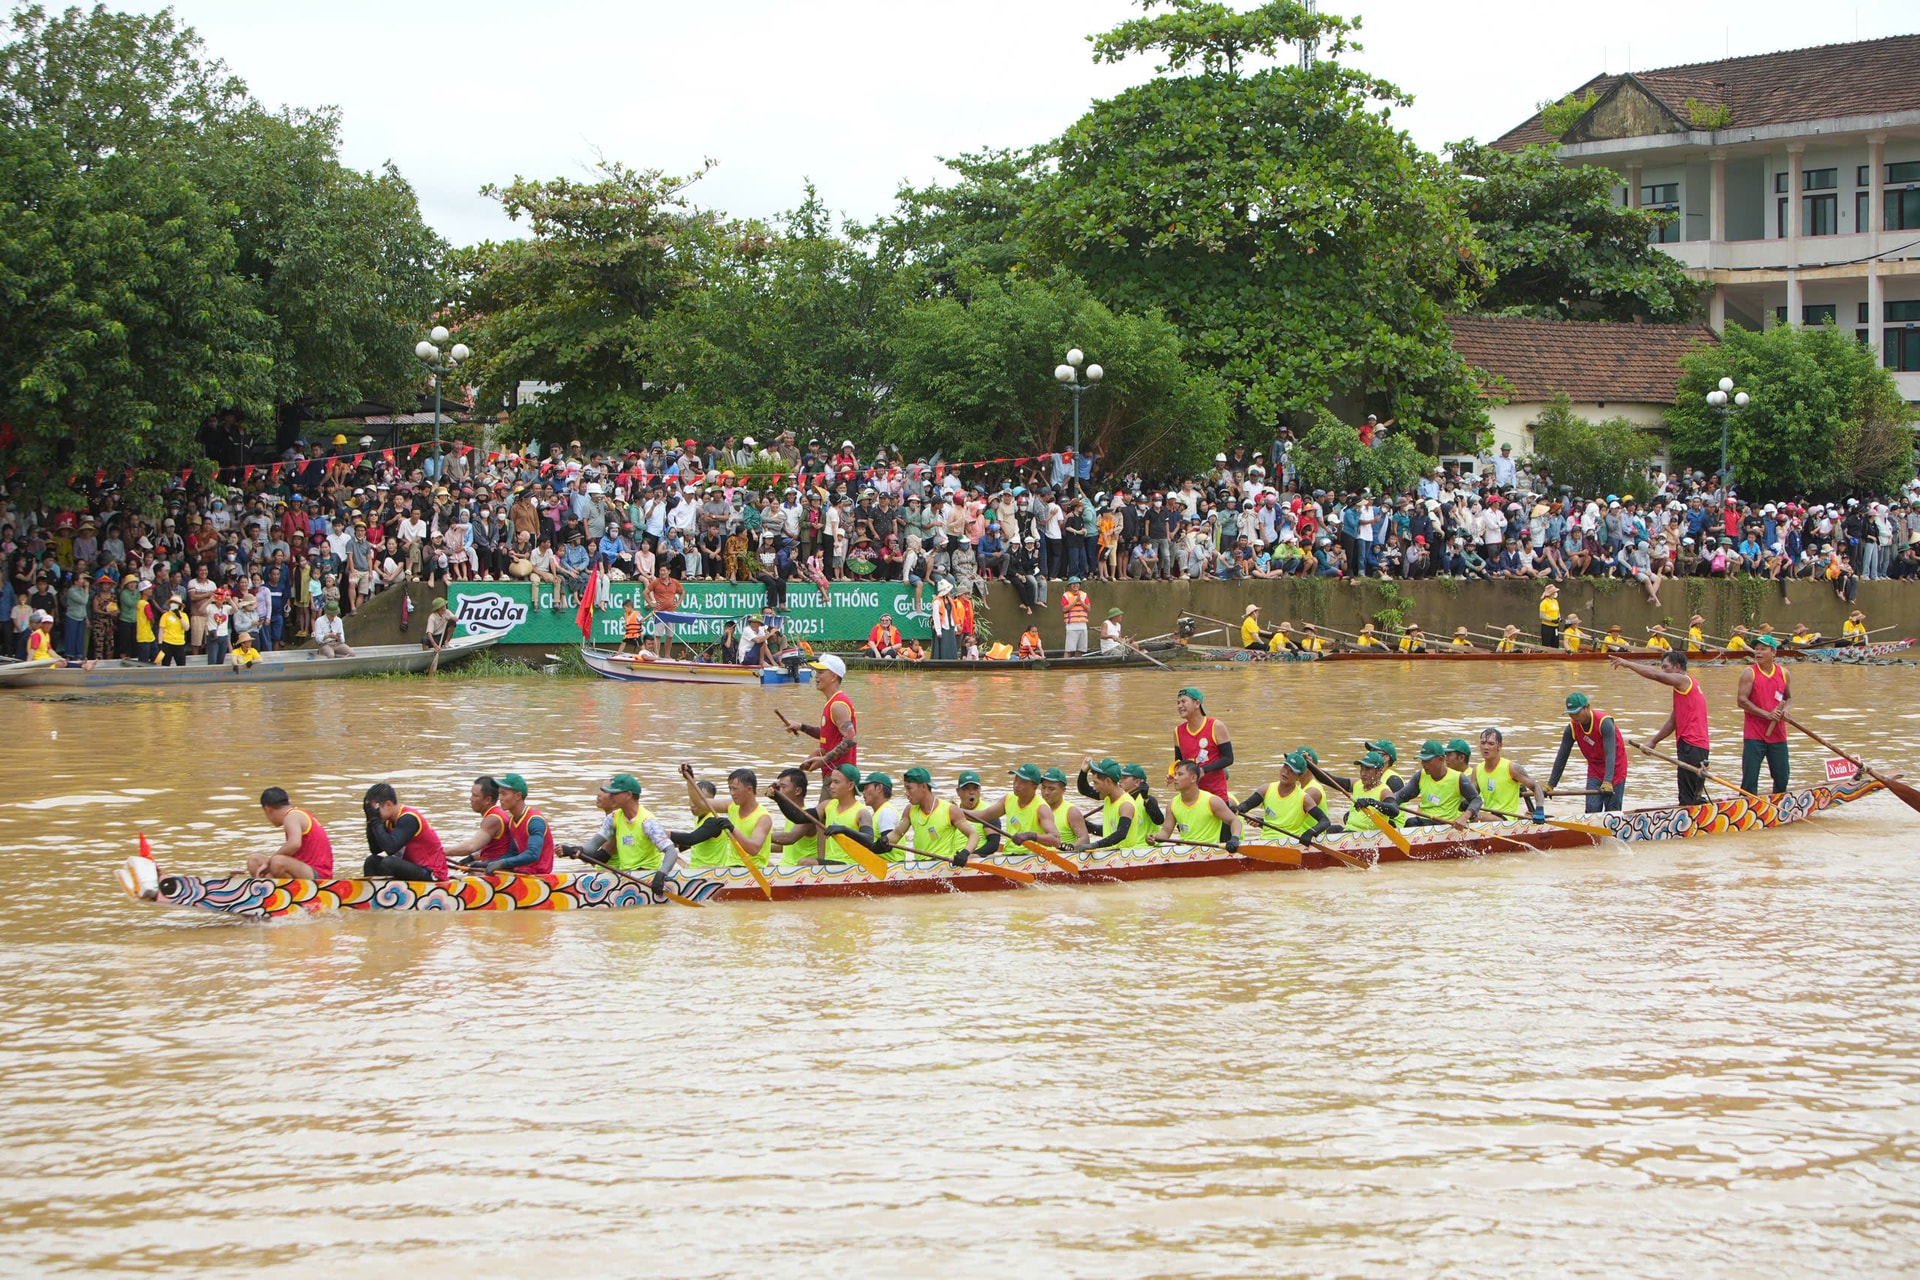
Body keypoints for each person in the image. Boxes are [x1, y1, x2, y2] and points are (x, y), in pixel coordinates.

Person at [1612, 652, 1712, 803]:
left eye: (1666, 667)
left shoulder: (1684, 680)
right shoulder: (1685, 689)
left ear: (1677, 667)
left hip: (1692, 745)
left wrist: (1628, 664)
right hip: (1695, 745)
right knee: (1691, 794)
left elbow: (1655, 675)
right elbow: (1673, 721)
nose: (1663, 671)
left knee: (1688, 797)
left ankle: (1689, 821)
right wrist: (1653, 742)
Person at [570, 773, 678, 881]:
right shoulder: (613, 818)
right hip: (627, 876)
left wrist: (661, 874)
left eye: (614, 793)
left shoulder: (647, 822)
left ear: (628, 795)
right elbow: (592, 846)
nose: (610, 797)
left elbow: (671, 852)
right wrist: (575, 850)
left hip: (647, 876)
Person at [1365, 739, 1483, 828]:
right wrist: (1379, 804)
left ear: (1441, 759)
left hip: (1446, 825)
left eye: (1427, 760)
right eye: (1422, 760)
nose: (1423, 764)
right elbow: (1401, 796)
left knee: (1411, 823)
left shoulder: (1459, 778)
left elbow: (1477, 800)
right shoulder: (1421, 775)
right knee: (1407, 823)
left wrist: (1464, 817)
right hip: (1425, 822)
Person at [1544, 692, 1629, 813]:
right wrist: (1551, 784)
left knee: (1612, 811)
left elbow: (1611, 754)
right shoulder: (1572, 728)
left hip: (1615, 767)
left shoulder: (1604, 723)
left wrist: (1608, 781)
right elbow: (1562, 757)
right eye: (1571, 714)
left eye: (1577, 713)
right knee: (1592, 808)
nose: (1574, 717)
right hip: (1595, 768)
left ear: (1587, 707)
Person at [679, 764, 773, 868]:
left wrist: (732, 829)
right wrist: (690, 779)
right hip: (732, 867)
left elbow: (753, 849)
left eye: (735, 789)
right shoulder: (731, 805)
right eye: (730, 789)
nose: (731, 793)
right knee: (705, 869)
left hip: (754, 869)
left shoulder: (763, 817)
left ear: (749, 789)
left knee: (706, 869)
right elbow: (700, 803)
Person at [1236, 751, 1333, 843]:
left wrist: (1311, 832)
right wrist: (1238, 808)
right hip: (1265, 841)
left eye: (1292, 771)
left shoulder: (1304, 798)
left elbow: (1325, 821)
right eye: (1285, 767)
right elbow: (1245, 806)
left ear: (1299, 777)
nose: (1285, 772)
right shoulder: (1265, 789)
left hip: (1290, 843)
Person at [790, 652, 858, 783]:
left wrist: (824, 759)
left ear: (833, 676)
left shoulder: (837, 705)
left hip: (839, 779)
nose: (816, 676)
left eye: (821, 672)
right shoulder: (833, 702)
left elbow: (851, 738)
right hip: (833, 775)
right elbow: (831, 735)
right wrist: (801, 727)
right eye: (816, 672)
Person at [1737, 637, 1792, 795]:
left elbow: (1788, 698)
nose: (1758, 652)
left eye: (1763, 649)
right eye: (1757, 649)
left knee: (1782, 777)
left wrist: (1786, 710)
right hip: (1754, 735)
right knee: (1750, 779)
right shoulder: (1749, 673)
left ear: (1773, 652)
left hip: (1778, 734)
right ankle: (1747, 808)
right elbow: (1741, 701)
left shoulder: (1784, 673)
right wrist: (1767, 715)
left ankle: (1779, 807)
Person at [361, 783, 449, 881]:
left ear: (388, 804)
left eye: (375, 811)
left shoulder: (409, 818)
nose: (374, 814)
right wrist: (370, 820)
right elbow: (375, 849)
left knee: (389, 862)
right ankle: (375, 894)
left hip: (432, 873)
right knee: (371, 861)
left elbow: (391, 848)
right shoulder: (388, 821)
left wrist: (375, 820)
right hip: (413, 869)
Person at [892, 767, 981, 863]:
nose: (907, 793)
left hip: (944, 867)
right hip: (920, 866)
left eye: (909, 788)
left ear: (923, 787)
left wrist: (965, 852)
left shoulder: (950, 810)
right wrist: (881, 843)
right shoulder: (909, 810)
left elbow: (974, 835)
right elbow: (896, 834)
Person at [968, 763, 1064, 851]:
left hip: (1032, 857)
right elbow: (982, 815)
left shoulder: (1041, 808)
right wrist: (957, 811)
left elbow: (1055, 839)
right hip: (1010, 855)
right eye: (1016, 780)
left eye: (1022, 782)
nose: (1016, 785)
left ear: (1034, 787)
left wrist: (1030, 836)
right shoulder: (1008, 799)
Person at [248, 786, 333, 879]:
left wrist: (269, 862)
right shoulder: (296, 814)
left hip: (320, 875)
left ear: (267, 809)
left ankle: (294, 891)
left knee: (277, 862)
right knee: (254, 861)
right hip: (304, 870)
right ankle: (274, 890)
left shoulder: (292, 816)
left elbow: (294, 844)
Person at [1157, 759, 1243, 849]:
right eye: (1175, 774)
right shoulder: (1172, 804)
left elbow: (1234, 821)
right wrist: (1154, 837)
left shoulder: (1212, 801)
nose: (1175, 778)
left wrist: (1235, 838)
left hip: (1209, 851)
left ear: (1193, 778)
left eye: (1180, 774)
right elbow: (1166, 832)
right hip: (1184, 851)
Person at [479, 773, 554, 874]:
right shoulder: (512, 821)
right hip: (521, 873)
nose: (500, 798)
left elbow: (533, 855)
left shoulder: (535, 821)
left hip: (539, 876)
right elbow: (513, 853)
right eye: (499, 794)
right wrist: (486, 863)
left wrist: (502, 863)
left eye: (504, 794)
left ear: (518, 796)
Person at [1071, 758, 1150, 851]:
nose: (1094, 787)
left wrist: (1094, 845)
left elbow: (1121, 834)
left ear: (1108, 781)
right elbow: (1084, 790)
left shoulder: (1126, 805)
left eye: (1096, 783)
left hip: (1124, 856)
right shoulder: (1107, 796)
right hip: (1110, 851)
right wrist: (1083, 772)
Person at [1171, 686, 1233, 802]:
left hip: (1215, 795)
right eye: (1178, 703)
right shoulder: (1177, 731)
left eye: (1183, 701)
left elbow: (1228, 758)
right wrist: (1173, 773)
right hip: (1191, 797)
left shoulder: (1216, 726)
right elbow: (1179, 762)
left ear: (1197, 703)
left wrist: (1204, 770)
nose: (1179, 706)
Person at [1473, 729, 1544, 818]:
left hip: (1506, 818)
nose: (1486, 747)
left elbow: (1536, 787)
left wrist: (1539, 810)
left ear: (1500, 746)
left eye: (1491, 744)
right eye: (1483, 743)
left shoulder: (1511, 768)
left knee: (1473, 816)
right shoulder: (1477, 770)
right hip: (1488, 817)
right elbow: (1472, 798)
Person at [442, 776, 511, 866]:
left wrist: (440, 851)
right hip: (494, 866)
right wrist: (471, 857)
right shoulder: (499, 813)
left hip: (496, 872)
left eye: (475, 796)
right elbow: (494, 847)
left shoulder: (493, 819)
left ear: (487, 800)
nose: (471, 799)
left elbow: (471, 846)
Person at [1060, 578, 1091, 656]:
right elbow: (1064, 609)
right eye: (1073, 584)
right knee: (1069, 649)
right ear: (1070, 586)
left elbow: (1088, 608)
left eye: (1077, 583)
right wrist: (1075, 601)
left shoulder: (1084, 595)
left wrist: (1081, 601)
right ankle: (1065, 664)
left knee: (1081, 649)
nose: (1075, 585)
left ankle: (1077, 664)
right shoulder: (1066, 595)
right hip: (1072, 625)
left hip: (1083, 624)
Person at [157, 595, 189, 666]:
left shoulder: (184, 615)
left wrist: (179, 617)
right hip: (167, 643)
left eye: (176, 603)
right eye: (172, 602)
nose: (173, 604)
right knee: (166, 664)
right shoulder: (165, 615)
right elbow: (161, 630)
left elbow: (186, 628)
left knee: (181, 665)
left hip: (179, 643)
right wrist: (160, 644)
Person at [1539, 583, 1561, 648]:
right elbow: (1541, 616)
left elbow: (1558, 611)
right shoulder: (1544, 603)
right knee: (1546, 644)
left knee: (1555, 643)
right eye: (1554, 592)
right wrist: (1551, 620)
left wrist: (1559, 618)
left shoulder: (1555, 601)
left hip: (1555, 626)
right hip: (1547, 626)